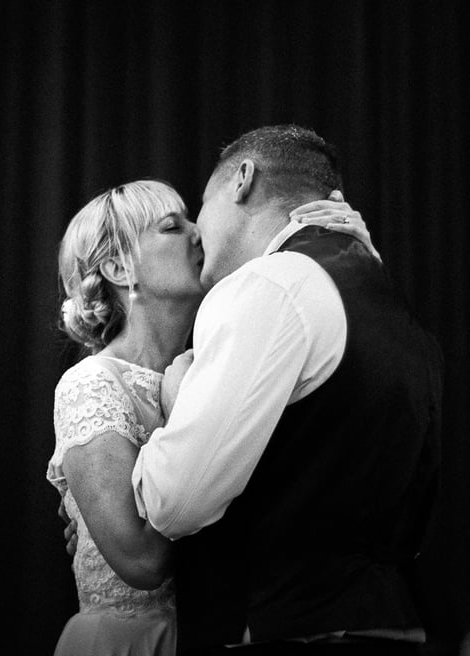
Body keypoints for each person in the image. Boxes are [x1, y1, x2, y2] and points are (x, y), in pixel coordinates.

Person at [131, 125, 443, 655]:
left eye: (200, 206)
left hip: (281, 630)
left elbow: (176, 502)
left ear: (242, 181)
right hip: (396, 626)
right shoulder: (398, 313)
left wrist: (176, 394)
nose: (196, 234)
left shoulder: (267, 285)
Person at [48, 177, 377, 656]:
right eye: (170, 226)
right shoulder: (91, 385)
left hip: (220, 632)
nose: (197, 232)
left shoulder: (217, 368)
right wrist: (181, 416)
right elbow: (141, 563)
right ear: (120, 267)